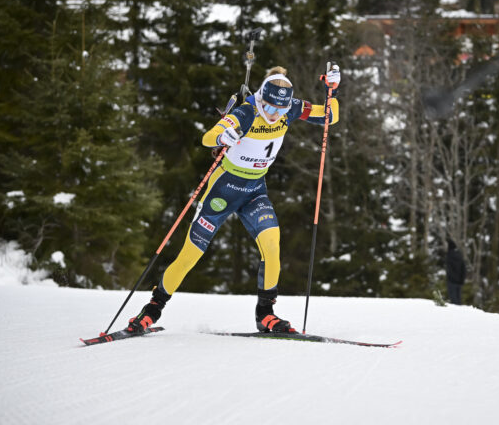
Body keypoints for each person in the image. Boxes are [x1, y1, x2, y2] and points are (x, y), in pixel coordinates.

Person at [127, 64, 340, 333]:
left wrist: (332, 91)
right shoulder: (247, 111)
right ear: (262, 98)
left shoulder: (291, 108)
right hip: (223, 190)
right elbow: (208, 137)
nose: (275, 116)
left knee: (272, 245)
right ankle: (151, 311)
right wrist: (223, 134)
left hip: (254, 191)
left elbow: (330, 116)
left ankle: (265, 314)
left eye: (281, 111)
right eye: (271, 108)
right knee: (190, 255)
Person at [445, 238, 466, 305]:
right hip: (459, 281)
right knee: (458, 299)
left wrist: (450, 278)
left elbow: (449, 269)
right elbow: (464, 268)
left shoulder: (449, 256)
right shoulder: (460, 255)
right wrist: (462, 280)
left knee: (453, 300)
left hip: (451, 281)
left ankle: (455, 314)